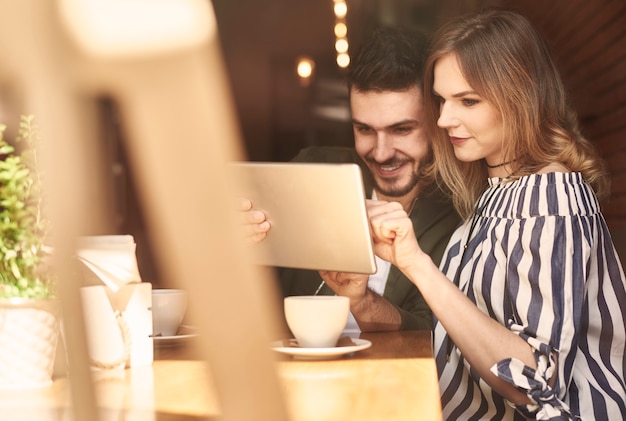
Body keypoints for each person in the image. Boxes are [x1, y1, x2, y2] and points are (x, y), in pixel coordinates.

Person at [366, 8, 626, 420]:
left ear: (519, 97)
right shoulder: (496, 197)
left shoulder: (552, 199)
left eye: (468, 100)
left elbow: (534, 382)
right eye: (441, 99)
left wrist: (417, 264)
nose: (445, 119)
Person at [241, 27, 460, 332]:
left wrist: (362, 301)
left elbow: (436, 336)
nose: (382, 153)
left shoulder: (460, 213)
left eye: (401, 130)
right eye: (365, 130)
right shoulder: (311, 171)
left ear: (437, 121)